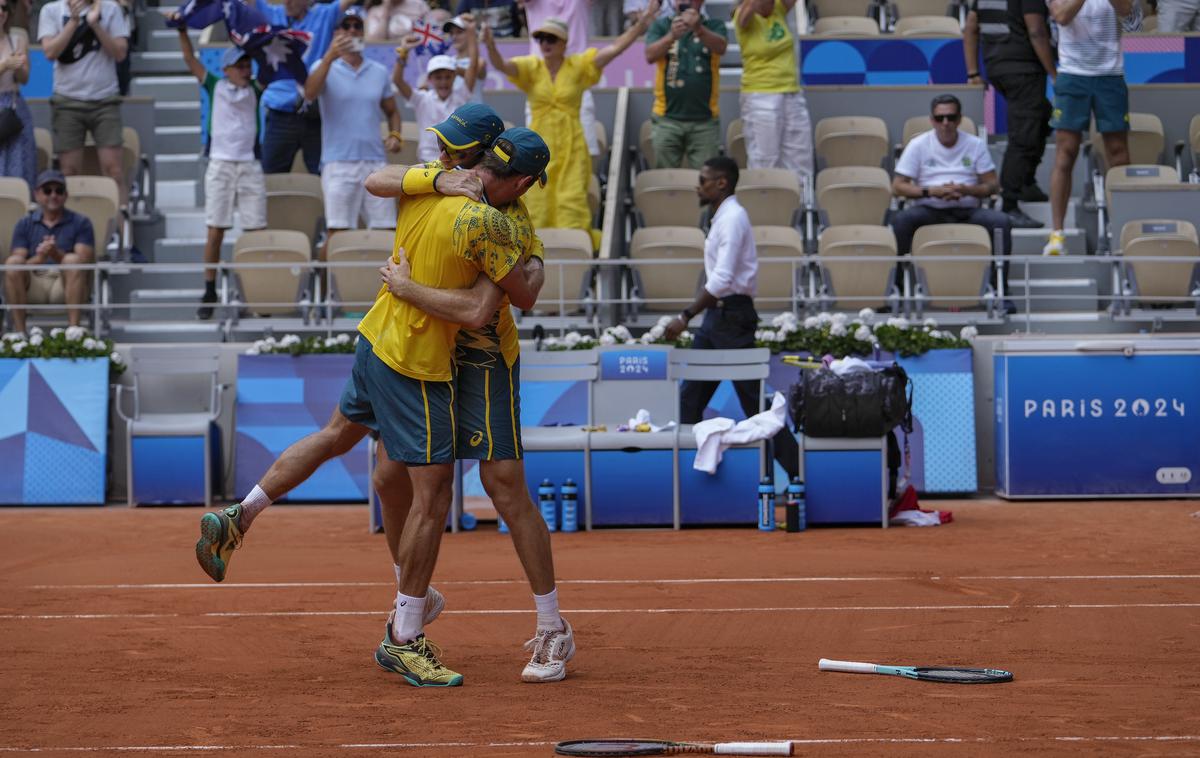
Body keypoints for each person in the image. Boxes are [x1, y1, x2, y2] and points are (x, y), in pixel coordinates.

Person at [195, 107, 574, 686]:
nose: (445, 157)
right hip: (421, 360)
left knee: (427, 471)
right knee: (427, 487)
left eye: (454, 151)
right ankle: (406, 628)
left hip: (431, 348)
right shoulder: (464, 204)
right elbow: (488, 299)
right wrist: (506, 263)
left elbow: (497, 297)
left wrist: (411, 282)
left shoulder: (463, 203)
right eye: (445, 153)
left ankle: (243, 513)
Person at [662, 156, 801, 481]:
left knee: (755, 408)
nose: (699, 185)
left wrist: (685, 316)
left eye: (704, 179)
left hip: (732, 317)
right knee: (690, 400)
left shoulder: (733, 218)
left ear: (722, 182)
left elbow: (723, 279)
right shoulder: (723, 217)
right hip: (719, 317)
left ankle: (799, 474)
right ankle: (683, 482)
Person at [485, 5, 658, 246]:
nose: (545, 43)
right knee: (536, 197)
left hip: (572, 144)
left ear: (565, 43)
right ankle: (534, 248)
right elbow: (503, 67)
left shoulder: (578, 66)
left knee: (572, 197)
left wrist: (640, 26)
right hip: (536, 146)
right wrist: (491, 46)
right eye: (541, 38)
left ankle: (572, 250)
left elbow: (615, 49)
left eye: (552, 39)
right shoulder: (531, 68)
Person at [891, 94, 1013, 310]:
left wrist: (968, 190)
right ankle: (898, 289)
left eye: (951, 117)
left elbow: (993, 185)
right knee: (901, 220)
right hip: (929, 208)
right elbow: (898, 186)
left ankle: (1000, 290)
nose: (945, 123)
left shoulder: (974, 145)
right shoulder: (918, 144)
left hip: (967, 209)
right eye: (940, 118)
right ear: (932, 120)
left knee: (1001, 222)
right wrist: (930, 192)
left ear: (959, 119)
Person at [176, 32, 265, 321]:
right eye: (239, 66)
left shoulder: (257, 87)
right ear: (226, 69)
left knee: (255, 233)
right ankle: (209, 288)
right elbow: (190, 59)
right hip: (221, 164)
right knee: (215, 230)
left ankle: (254, 294)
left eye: (247, 65)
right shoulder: (215, 85)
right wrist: (181, 31)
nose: (245, 70)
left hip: (250, 164)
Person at [1043, 0, 1142, 256]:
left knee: (1118, 153)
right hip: (1072, 74)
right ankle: (1057, 235)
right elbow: (1061, 15)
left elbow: (1132, 22)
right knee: (1065, 153)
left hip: (1111, 75)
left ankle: (1122, 230)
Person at [303, 5, 403, 261]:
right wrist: (328, 57)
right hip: (338, 163)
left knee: (387, 233)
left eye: (357, 26)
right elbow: (309, 94)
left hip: (375, 162)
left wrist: (395, 135)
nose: (352, 30)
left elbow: (392, 110)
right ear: (336, 32)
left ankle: (383, 295)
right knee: (337, 233)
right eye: (346, 26)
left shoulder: (378, 71)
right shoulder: (322, 66)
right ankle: (325, 297)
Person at [963, 0, 1055, 229]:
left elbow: (971, 26)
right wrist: (1054, 73)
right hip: (1023, 68)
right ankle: (1009, 204)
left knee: (1042, 116)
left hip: (996, 67)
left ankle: (1026, 183)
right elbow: (1036, 31)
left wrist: (973, 71)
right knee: (1023, 137)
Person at [249, 0, 360, 175]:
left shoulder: (324, 15)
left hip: (313, 114)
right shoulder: (271, 14)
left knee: (324, 176)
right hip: (280, 113)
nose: (287, 2)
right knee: (269, 177)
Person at [38, 0, 129, 207]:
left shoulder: (111, 9)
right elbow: (50, 53)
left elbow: (120, 53)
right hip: (67, 100)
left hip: (105, 100)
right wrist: (73, 22)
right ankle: (70, 230)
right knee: (68, 173)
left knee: (113, 170)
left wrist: (96, 25)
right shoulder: (52, 10)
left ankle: (123, 233)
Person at [4, 169, 94, 334]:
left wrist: (56, 254)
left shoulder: (82, 222)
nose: (53, 195)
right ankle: (19, 335)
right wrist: (39, 259)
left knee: (72, 261)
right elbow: (17, 259)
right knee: (12, 263)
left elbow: (85, 261)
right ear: (37, 194)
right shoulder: (24, 224)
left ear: (65, 195)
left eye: (58, 191)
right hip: (34, 282)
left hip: (64, 282)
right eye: (47, 191)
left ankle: (74, 332)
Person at [734, 0, 813, 185]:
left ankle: (801, 209)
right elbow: (744, 16)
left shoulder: (778, 9)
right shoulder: (744, 15)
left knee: (800, 158)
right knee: (765, 159)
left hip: (791, 92)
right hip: (760, 95)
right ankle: (764, 208)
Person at [643, 0, 726, 169]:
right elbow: (650, 55)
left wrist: (699, 29)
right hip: (667, 119)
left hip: (705, 121)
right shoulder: (662, 26)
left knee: (706, 181)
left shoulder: (714, 25)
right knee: (666, 182)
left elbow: (721, 47)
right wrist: (671, 36)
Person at [393, 47, 476, 163]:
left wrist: (471, 33)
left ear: (454, 77)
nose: (443, 82)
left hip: (455, 161)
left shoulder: (461, 96)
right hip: (426, 161)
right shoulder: (421, 98)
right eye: (438, 78)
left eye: (448, 77)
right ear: (429, 79)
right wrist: (403, 54)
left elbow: (473, 68)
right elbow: (397, 80)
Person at [0, 6, 34, 194]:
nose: (0, 12)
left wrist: (19, 65)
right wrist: (5, 65)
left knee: (18, 167)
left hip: (12, 109)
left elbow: (25, 79)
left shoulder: (17, 39)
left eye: (4, 7)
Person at [442, 15, 487, 99]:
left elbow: (472, 72)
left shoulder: (480, 62)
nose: (454, 37)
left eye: (459, 32)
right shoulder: (448, 61)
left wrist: (449, 69)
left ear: (471, 33)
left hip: (475, 112)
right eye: (451, 33)